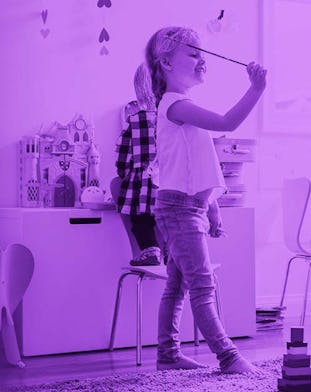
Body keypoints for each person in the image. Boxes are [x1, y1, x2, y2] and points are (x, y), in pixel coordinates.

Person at [144, 26, 266, 374]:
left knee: (178, 284)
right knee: (201, 283)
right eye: (194, 54)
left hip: (188, 208)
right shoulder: (175, 105)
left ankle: (167, 356)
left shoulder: (183, 108)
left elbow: (194, 166)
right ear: (166, 61)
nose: (203, 61)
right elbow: (227, 121)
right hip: (179, 209)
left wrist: (210, 207)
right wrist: (256, 89)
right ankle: (228, 356)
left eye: (203, 55)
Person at [114, 64, 163, 266]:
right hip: (169, 183)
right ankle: (169, 250)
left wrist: (124, 172)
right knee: (165, 220)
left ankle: (150, 251)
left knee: (141, 220)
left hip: (142, 185)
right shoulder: (173, 119)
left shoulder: (133, 121)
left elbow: (123, 156)